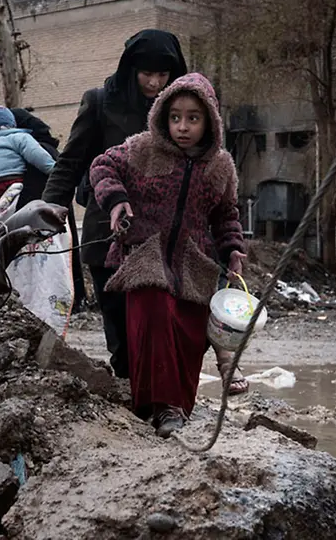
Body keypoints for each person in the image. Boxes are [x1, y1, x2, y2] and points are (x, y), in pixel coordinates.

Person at [89, 73, 248, 438]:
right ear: (163, 115)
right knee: (154, 316)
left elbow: (226, 214)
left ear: (210, 120)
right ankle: (163, 408)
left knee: (189, 337)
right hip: (145, 254)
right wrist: (116, 201)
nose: (182, 126)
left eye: (193, 118)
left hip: (195, 265)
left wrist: (234, 248)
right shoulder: (141, 148)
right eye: (175, 117)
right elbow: (102, 166)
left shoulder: (220, 165)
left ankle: (177, 407)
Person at [41, 29, 188, 379]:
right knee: (121, 326)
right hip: (108, 230)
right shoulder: (99, 102)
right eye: (146, 74)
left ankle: (159, 395)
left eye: (163, 75)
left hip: (162, 232)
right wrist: (47, 209)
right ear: (130, 69)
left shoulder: (179, 111)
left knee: (163, 321)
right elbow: (70, 162)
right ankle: (128, 389)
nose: (154, 83)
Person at [10, 108, 86, 311]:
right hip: (58, 215)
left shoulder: (27, 150)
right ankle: (75, 300)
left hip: (36, 216)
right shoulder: (49, 149)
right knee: (63, 259)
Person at [0, 105, 56, 212]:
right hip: (14, 186)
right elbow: (39, 157)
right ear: (11, 122)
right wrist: (55, 171)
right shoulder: (19, 137)